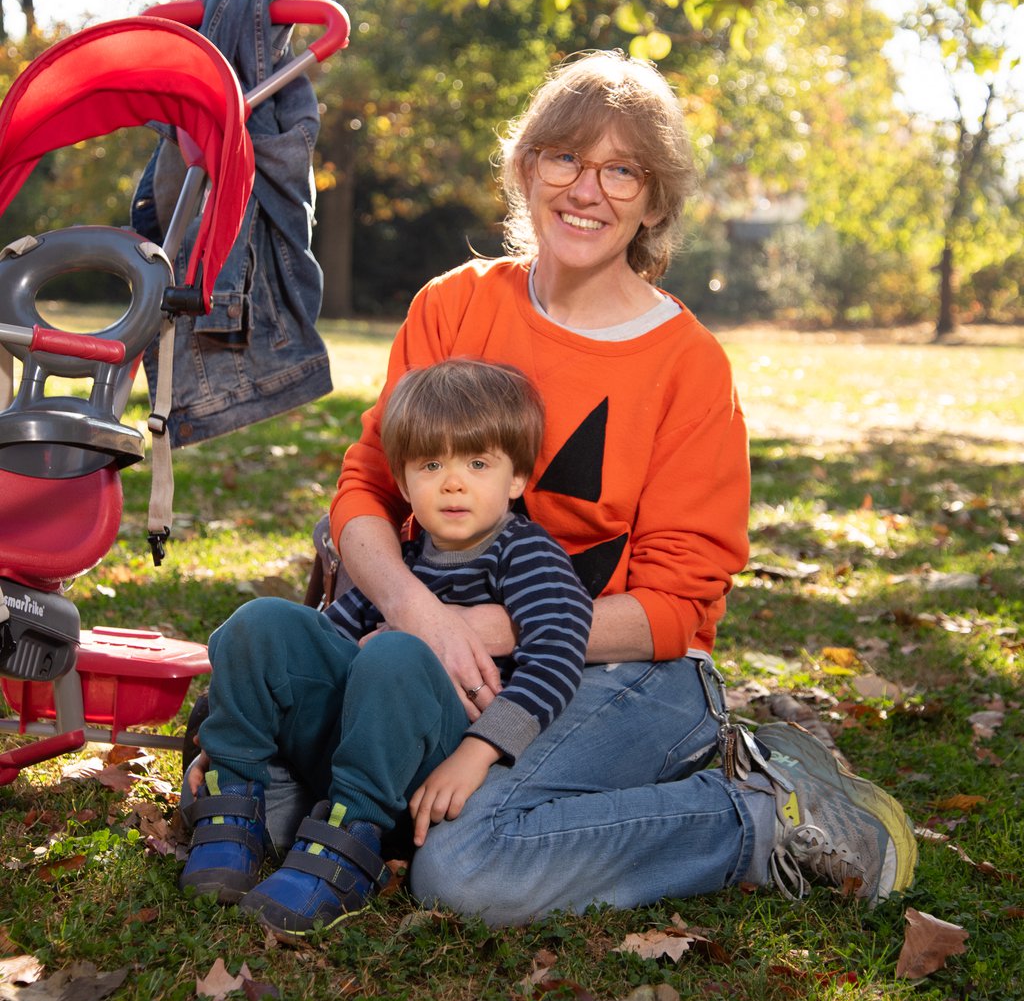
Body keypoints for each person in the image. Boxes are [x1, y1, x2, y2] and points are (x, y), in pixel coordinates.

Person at [329, 48, 918, 924]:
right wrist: (418, 616)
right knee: (307, 811)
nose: (587, 190)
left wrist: (479, 631)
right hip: (434, 645)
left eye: (622, 171)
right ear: (528, 168)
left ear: (653, 201)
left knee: (462, 867)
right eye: (566, 157)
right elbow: (365, 490)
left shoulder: (687, 366)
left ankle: (757, 815)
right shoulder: (453, 308)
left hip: (631, 673)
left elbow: (680, 605)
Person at [179, 358, 593, 937]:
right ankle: (235, 790)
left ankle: (349, 845)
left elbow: (556, 659)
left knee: (395, 653)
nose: (453, 482)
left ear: (518, 478)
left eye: (477, 463)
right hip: (348, 741)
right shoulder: (401, 558)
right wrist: (236, 728)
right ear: (401, 482)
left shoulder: (528, 555)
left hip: (424, 769)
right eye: (431, 464)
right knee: (264, 621)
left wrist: (477, 755)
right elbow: (325, 646)